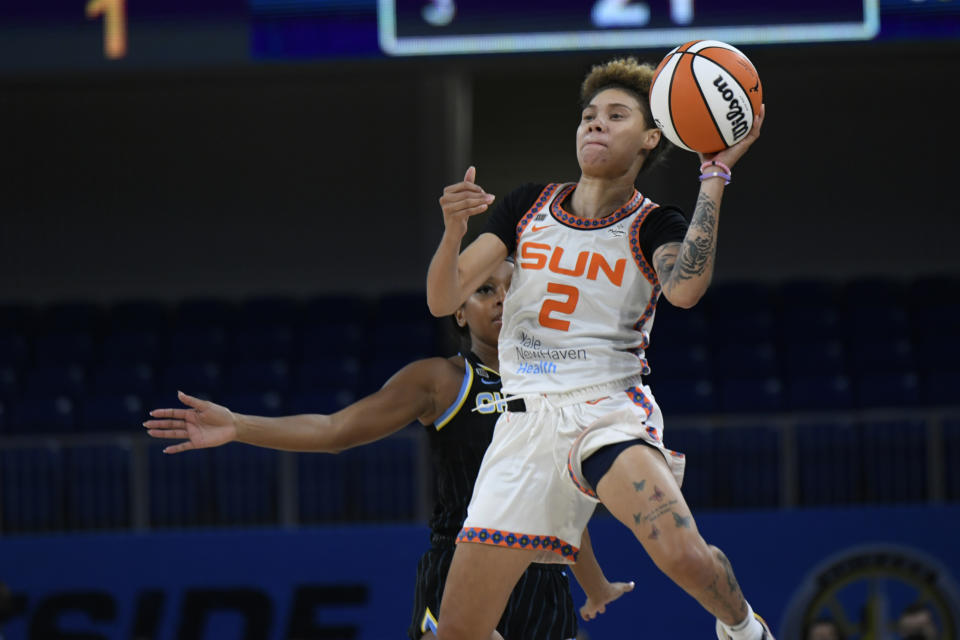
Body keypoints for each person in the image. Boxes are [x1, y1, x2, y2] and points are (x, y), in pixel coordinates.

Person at [424, 57, 769, 640]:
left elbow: (684, 290)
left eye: (615, 115)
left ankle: (744, 629)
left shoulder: (653, 224)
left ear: (652, 136)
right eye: (588, 116)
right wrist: (453, 232)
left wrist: (714, 177)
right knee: (458, 631)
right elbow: (442, 299)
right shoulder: (527, 205)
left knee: (683, 556)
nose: (595, 125)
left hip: (606, 408)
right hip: (523, 422)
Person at [144, 259, 633, 640]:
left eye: (513, 289)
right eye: (486, 290)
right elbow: (335, 430)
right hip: (462, 565)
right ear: (459, 310)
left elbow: (561, 504)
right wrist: (239, 424)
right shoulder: (442, 380)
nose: (503, 300)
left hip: (543, 580)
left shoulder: (559, 389)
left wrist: (595, 584)